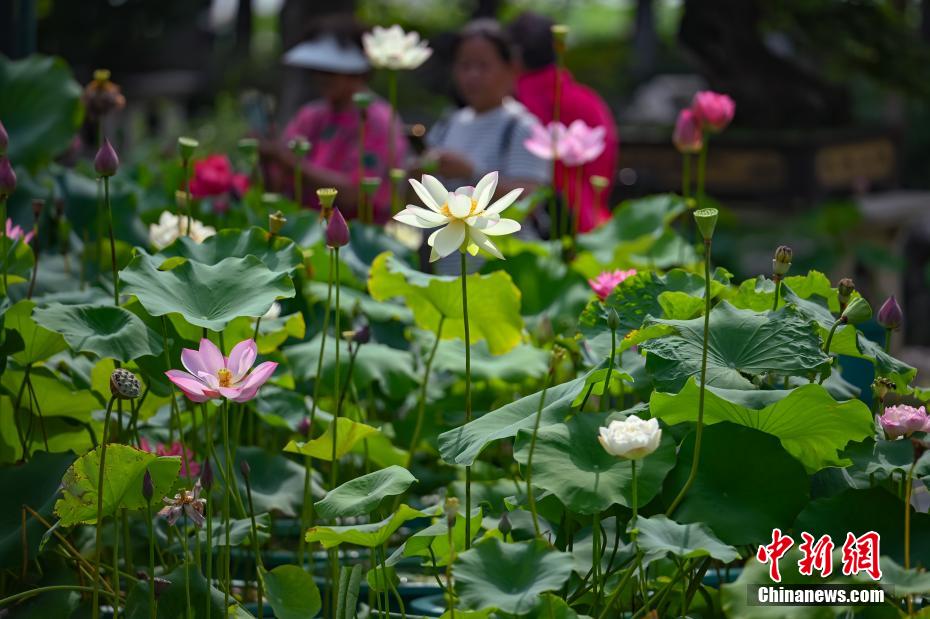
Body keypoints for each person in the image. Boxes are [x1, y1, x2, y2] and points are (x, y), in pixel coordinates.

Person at [260, 15, 407, 221]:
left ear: (359, 72)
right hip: (305, 230)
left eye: (331, 71)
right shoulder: (310, 116)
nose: (321, 78)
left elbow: (355, 194)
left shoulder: (378, 120)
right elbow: (277, 184)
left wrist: (284, 158)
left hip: (358, 238)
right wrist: (265, 157)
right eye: (317, 69)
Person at [508, 11, 619, 232]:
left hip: (558, 221)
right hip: (596, 219)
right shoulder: (587, 98)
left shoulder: (518, 104)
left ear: (515, 56)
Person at [422, 19, 549, 200]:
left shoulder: (522, 126)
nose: (472, 75)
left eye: (483, 65)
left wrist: (472, 174)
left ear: (511, 69)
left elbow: (530, 198)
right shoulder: (447, 123)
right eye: (465, 65)